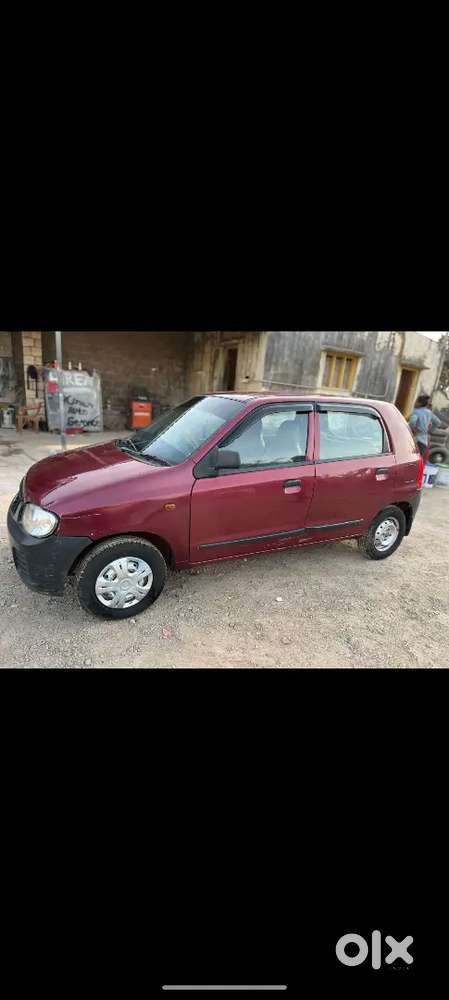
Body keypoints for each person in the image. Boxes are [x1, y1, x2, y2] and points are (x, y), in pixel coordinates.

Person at [408, 394, 447, 461]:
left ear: (419, 403)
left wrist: (413, 429)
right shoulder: (429, 413)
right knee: (419, 461)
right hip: (424, 442)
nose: (414, 403)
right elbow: (438, 422)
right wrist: (430, 430)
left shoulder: (416, 411)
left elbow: (412, 422)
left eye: (416, 401)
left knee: (410, 460)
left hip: (414, 440)